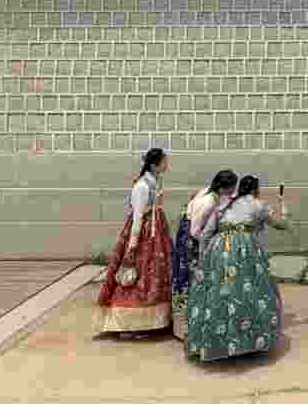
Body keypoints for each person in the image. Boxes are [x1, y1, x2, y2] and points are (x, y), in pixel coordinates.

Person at [185, 175, 288, 362]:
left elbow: (206, 234)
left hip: (218, 250)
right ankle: (248, 342)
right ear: (256, 190)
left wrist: (202, 260)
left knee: (219, 294)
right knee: (248, 292)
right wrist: (283, 205)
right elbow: (282, 224)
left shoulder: (224, 204)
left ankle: (214, 342)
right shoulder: (258, 204)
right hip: (244, 250)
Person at [93, 148, 173, 335]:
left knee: (154, 275)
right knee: (138, 276)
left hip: (155, 232)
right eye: (164, 162)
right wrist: (132, 245)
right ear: (154, 164)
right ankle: (130, 323)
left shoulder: (154, 182)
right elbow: (138, 216)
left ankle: (153, 320)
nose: (167, 165)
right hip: (144, 234)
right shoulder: (142, 186)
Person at [171, 171, 237, 342]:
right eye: (231, 189)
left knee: (191, 280)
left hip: (191, 235)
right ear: (223, 188)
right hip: (190, 241)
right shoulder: (208, 202)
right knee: (190, 280)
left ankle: (189, 324)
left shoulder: (210, 192)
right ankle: (185, 327)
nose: (232, 192)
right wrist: (202, 256)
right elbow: (195, 232)